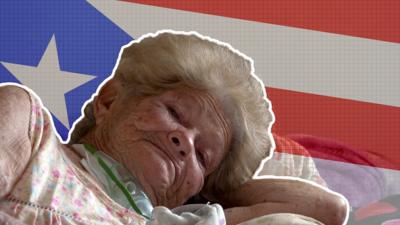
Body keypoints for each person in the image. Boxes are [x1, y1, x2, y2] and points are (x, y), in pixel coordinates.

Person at [0, 31, 347, 225]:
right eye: (175, 113)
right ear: (109, 101)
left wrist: (211, 186)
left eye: (202, 153)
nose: (185, 139)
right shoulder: (33, 133)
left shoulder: (183, 222)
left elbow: (328, 211)